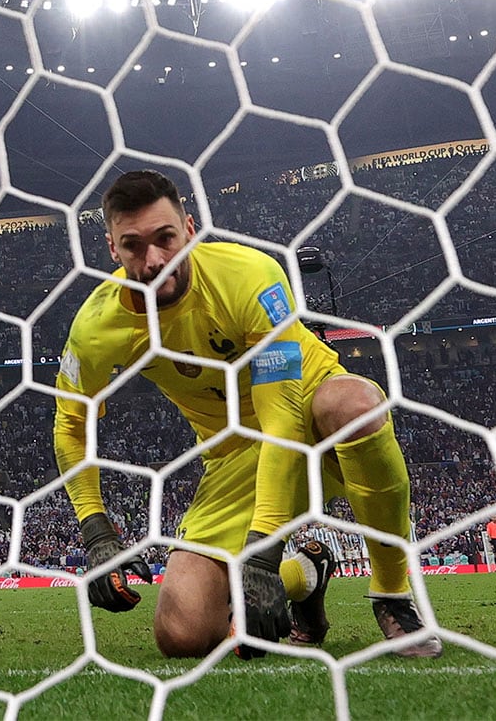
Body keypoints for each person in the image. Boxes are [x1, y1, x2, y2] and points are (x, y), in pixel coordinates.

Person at [54, 170, 442, 659]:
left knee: (355, 406)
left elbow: (281, 420)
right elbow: (70, 424)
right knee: (183, 635)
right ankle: (306, 573)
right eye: (133, 246)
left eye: (165, 238)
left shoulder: (250, 276)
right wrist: (96, 531)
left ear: (190, 229)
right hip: (235, 454)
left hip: (309, 414)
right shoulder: (96, 328)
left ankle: (391, 595)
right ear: (112, 249)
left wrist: (260, 553)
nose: (153, 260)